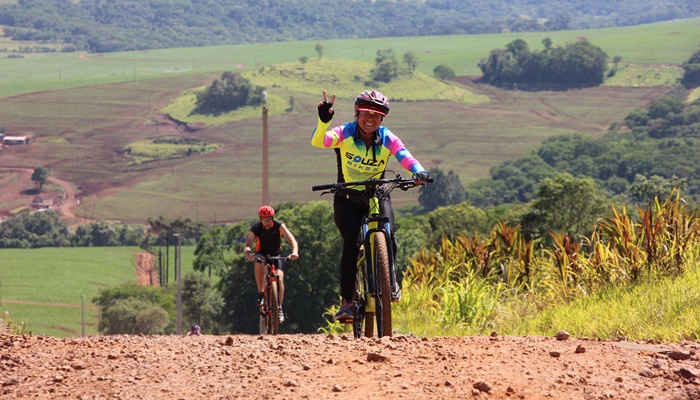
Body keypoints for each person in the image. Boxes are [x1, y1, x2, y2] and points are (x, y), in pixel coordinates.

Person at [311, 90, 429, 322]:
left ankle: (389, 281)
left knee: (389, 234)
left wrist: (418, 172)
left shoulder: (386, 137)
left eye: (377, 115)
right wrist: (324, 121)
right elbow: (319, 142)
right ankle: (347, 303)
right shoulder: (344, 132)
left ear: (382, 119)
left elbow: (404, 156)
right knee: (351, 245)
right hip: (347, 198)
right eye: (367, 113)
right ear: (357, 112)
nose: (371, 119)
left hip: (377, 194)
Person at [244, 205, 299, 324]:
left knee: (279, 278)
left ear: (272, 218)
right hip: (262, 253)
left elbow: (291, 240)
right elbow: (248, 244)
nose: (267, 222)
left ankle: (279, 308)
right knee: (258, 262)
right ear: (260, 219)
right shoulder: (256, 228)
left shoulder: (279, 226)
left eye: (269, 219)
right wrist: (248, 254)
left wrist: (294, 252)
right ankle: (260, 293)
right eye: (264, 220)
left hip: (276, 253)